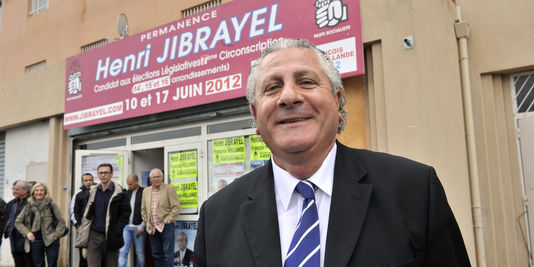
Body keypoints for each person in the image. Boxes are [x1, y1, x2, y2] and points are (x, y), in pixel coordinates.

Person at [193, 38, 471, 267]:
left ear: (337, 101)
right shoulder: (216, 217)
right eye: (272, 87)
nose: (289, 97)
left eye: (306, 82)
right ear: (256, 114)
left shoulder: (415, 190)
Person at [75, 163, 131, 267]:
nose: (103, 175)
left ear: (111, 174)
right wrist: (82, 227)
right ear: (98, 175)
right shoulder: (92, 191)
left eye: (106, 172)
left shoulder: (120, 193)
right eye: (101, 173)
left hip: (111, 236)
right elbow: (85, 211)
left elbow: (125, 215)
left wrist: (117, 230)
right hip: (94, 236)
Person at [14, 183, 66, 267]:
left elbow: (61, 221)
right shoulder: (28, 206)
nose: (39, 192)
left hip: (51, 240)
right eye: (37, 190)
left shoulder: (51, 205)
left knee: (52, 264)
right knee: (38, 265)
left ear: (45, 192)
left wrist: (56, 235)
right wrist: (27, 233)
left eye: (41, 190)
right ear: (33, 193)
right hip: (36, 241)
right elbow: (18, 222)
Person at [141, 168, 181, 267]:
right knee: (156, 254)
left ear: (162, 177)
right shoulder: (146, 191)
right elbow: (143, 209)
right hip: (152, 227)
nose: (156, 179)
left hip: (166, 226)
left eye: (158, 176)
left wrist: (168, 220)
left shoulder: (169, 189)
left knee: (167, 255)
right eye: (154, 177)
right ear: (150, 179)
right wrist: (147, 221)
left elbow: (176, 207)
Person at [4, 180, 34, 267]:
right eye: (13, 189)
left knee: (29, 263)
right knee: (18, 263)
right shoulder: (10, 204)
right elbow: (6, 220)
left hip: (27, 239)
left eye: (16, 189)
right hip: (14, 239)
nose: (14, 191)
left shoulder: (32, 203)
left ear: (25, 190)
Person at [119, 174, 145, 267]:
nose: (128, 186)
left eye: (130, 184)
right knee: (122, 251)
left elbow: (147, 211)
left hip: (138, 227)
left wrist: (142, 226)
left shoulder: (144, 192)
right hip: (126, 227)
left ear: (136, 182)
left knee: (139, 253)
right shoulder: (126, 193)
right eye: (127, 184)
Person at [71, 173, 94, 267]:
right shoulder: (78, 194)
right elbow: (74, 211)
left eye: (90, 180)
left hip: (96, 229)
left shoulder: (99, 190)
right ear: (82, 182)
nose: (88, 182)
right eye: (86, 180)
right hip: (83, 229)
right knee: (84, 256)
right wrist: (77, 225)